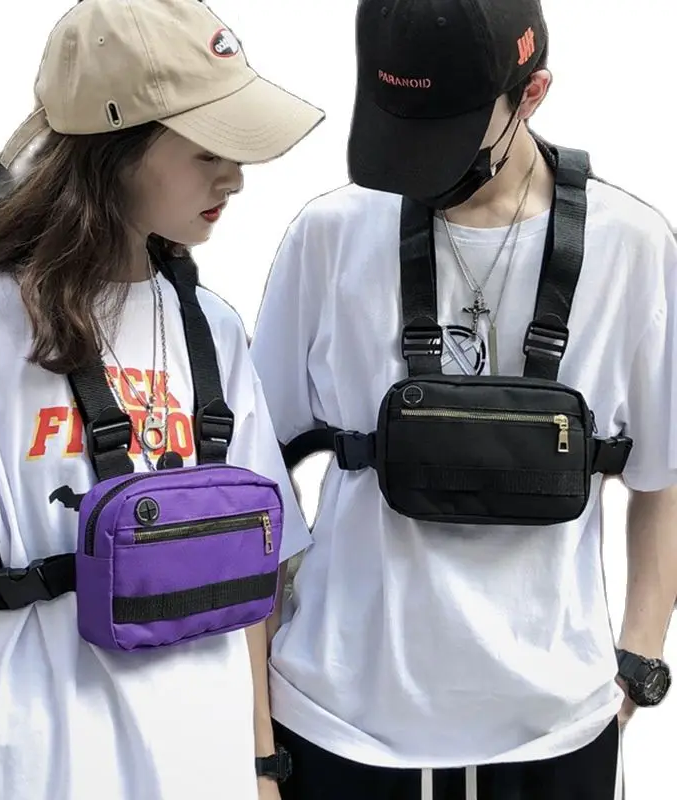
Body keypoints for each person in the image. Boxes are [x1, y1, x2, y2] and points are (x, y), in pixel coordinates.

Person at [0, 1, 325, 799]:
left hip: (208, 768)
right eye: (208, 150)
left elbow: (255, 578)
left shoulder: (213, 327)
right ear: (116, 150)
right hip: (39, 766)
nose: (234, 176)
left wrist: (262, 769)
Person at [250, 1, 677, 798]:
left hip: (556, 727)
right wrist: (255, 739)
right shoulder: (328, 234)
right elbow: (251, 480)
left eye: (444, 132)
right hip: (339, 717)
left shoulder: (634, 247)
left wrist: (639, 659)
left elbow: (663, 476)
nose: (415, 163)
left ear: (533, 93)